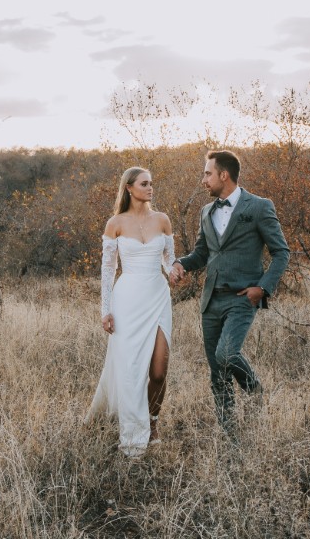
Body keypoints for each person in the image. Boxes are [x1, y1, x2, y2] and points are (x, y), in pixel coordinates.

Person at [170, 150, 289, 434]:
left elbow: (281, 252)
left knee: (226, 353)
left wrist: (262, 288)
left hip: (241, 298)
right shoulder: (206, 212)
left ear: (224, 175)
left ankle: (256, 391)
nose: (203, 180)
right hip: (211, 301)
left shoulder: (259, 207)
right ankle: (230, 435)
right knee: (217, 374)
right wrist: (179, 263)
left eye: (207, 174)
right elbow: (201, 254)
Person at [85, 166, 175, 456]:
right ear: (129, 188)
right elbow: (108, 271)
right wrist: (105, 310)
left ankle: (153, 421)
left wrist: (174, 270)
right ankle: (135, 437)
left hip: (158, 297)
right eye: (144, 183)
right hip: (126, 301)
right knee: (131, 372)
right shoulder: (116, 224)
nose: (150, 188)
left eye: (151, 183)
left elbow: (169, 261)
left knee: (159, 371)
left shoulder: (162, 220)